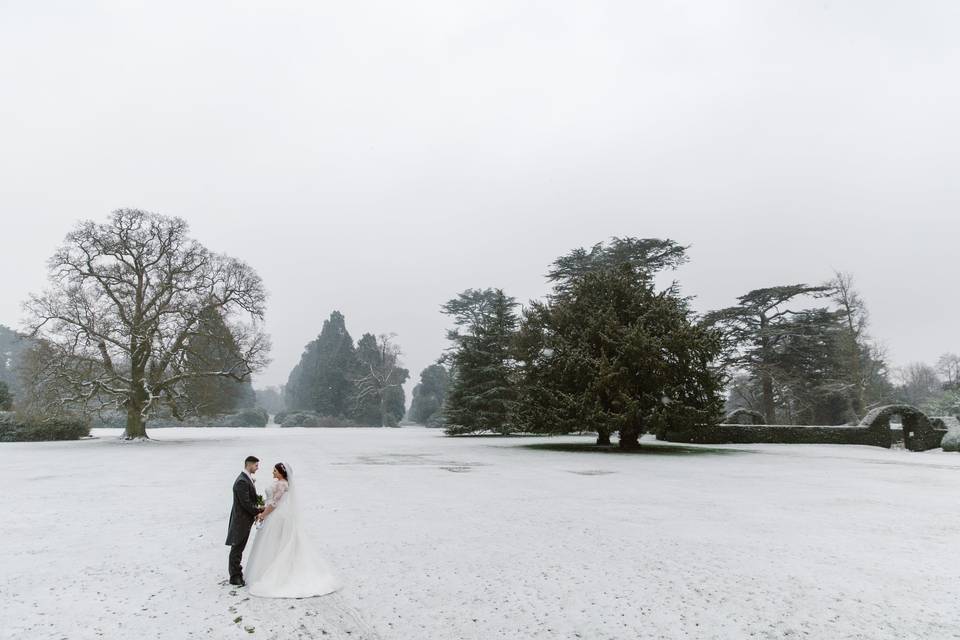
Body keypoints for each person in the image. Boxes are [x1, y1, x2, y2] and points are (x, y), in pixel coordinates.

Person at [244, 462, 339, 598]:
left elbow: (274, 503)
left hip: (276, 516)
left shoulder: (282, 484)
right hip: (276, 514)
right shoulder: (280, 482)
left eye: (275, 471)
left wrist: (263, 514)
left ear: (281, 473)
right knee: (274, 542)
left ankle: (271, 572)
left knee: (274, 542)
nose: (273, 472)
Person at [225, 455, 264, 586]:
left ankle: (236, 573)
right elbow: (246, 503)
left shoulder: (245, 478)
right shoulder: (242, 481)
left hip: (243, 520)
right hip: (240, 521)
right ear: (249, 465)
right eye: (256, 465)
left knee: (238, 548)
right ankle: (235, 576)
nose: (257, 468)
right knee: (237, 548)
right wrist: (260, 510)